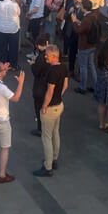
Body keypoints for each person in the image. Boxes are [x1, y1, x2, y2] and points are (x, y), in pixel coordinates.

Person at [0, 61, 25, 184]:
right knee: (5, 148)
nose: (6, 70)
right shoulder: (2, 88)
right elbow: (16, 98)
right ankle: (2, 175)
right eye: (4, 69)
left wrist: (3, 69)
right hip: (1, 120)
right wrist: (21, 83)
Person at [34, 45, 69, 177]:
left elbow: (50, 91)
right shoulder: (63, 67)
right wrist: (59, 96)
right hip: (59, 105)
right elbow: (65, 85)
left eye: (47, 55)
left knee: (46, 137)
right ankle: (54, 159)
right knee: (55, 132)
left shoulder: (52, 71)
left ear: (53, 56)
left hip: (50, 108)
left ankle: (47, 166)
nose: (45, 56)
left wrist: (44, 106)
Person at [70, 0, 101, 94]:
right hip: (92, 45)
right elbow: (86, 27)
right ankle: (96, 86)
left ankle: (82, 87)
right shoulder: (93, 16)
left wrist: (74, 21)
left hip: (84, 45)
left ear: (84, 8)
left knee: (83, 66)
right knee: (91, 65)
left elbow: (78, 31)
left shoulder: (86, 19)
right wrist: (80, 22)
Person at [30, 32, 51, 136]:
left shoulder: (41, 58)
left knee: (39, 107)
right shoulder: (51, 53)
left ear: (38, 45)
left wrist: (32, 65)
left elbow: (36, 72)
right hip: (49, 85)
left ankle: (40, 129)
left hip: (40, 86)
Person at [0, 0, 21, 68]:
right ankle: (13, 65)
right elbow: (18, 13)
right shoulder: (15, 5)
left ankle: (3, 63)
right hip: (13, 30)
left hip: (1, 29)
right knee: (13, 48)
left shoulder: (0, 4)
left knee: (2, 48)